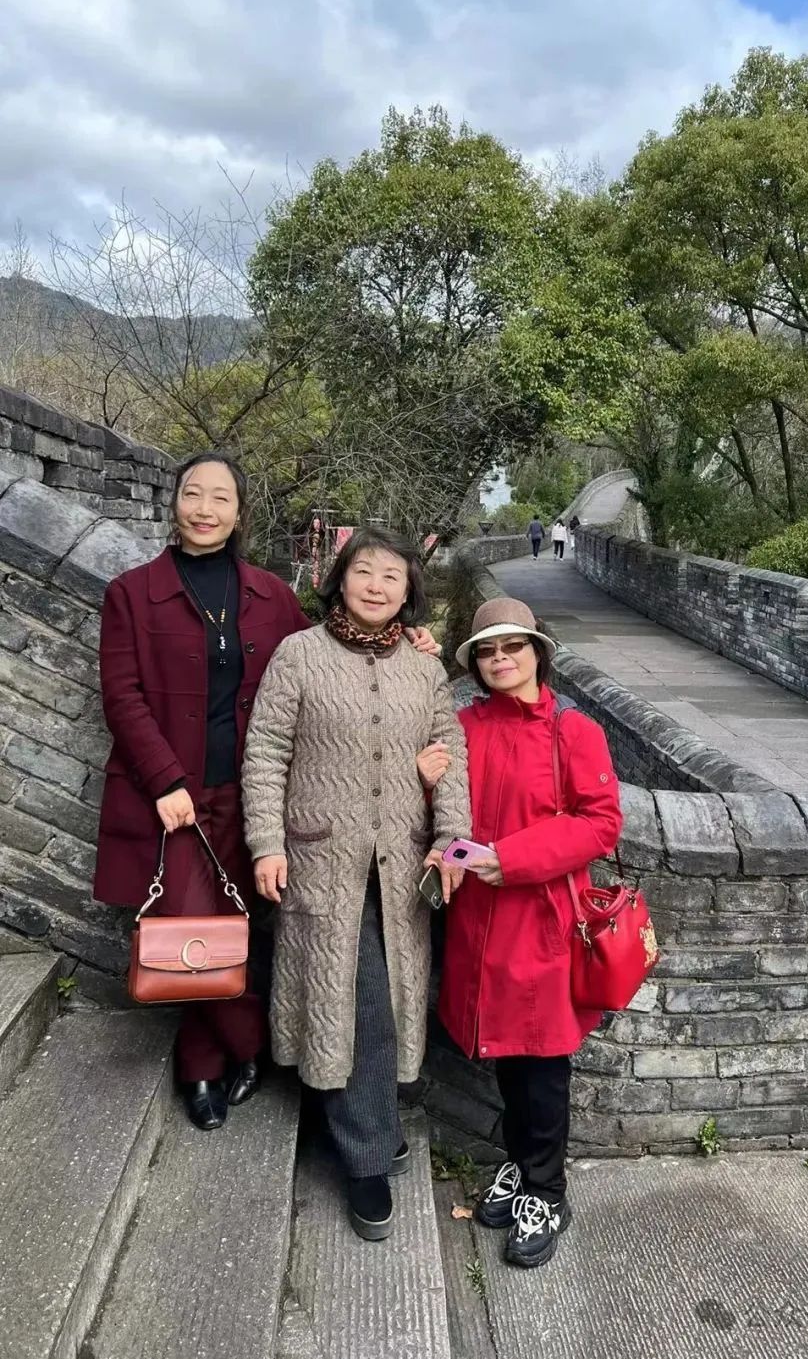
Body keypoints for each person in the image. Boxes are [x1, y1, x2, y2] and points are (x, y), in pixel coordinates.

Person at [93, 454, 441, 1134]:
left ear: (239, 512)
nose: (204, 509)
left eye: (220, 498)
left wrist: (411, 642)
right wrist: (164, 779)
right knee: (189, 923)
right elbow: (122, 696)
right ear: (174, 503)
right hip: (177, 796)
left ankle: (215, 1058)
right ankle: (236, 1047)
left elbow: (330, 651)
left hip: (257, 793)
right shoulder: (132, 593)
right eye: (193, 494)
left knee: (238, 925)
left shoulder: (269, 594)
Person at [241, 527, 471, 1243]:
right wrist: (266, 843)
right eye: (363, 571)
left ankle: (364, 1123)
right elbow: (266, 752)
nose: (376, 585)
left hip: (401, 865)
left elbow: (450, 757)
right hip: (320, 860)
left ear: (409, 592)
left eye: (392, 576)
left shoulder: (424, 669)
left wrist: (451, 842)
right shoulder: (299, 655)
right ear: (339, 579)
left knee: (391, 998)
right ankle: (366, 1154)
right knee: (356, 999)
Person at [438, 597, 622, 1269]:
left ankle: (546, 1191)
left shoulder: (572, 730)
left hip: (540, 922)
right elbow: (450, 813)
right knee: (507, 1056)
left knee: (542, 1064)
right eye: (487, 651)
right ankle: (520, 1163)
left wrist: (510, 859)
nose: (500, 659)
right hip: (477, 922)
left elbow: (601, 822)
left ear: (536, 652)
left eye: (512, 646)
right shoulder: (463, 726)